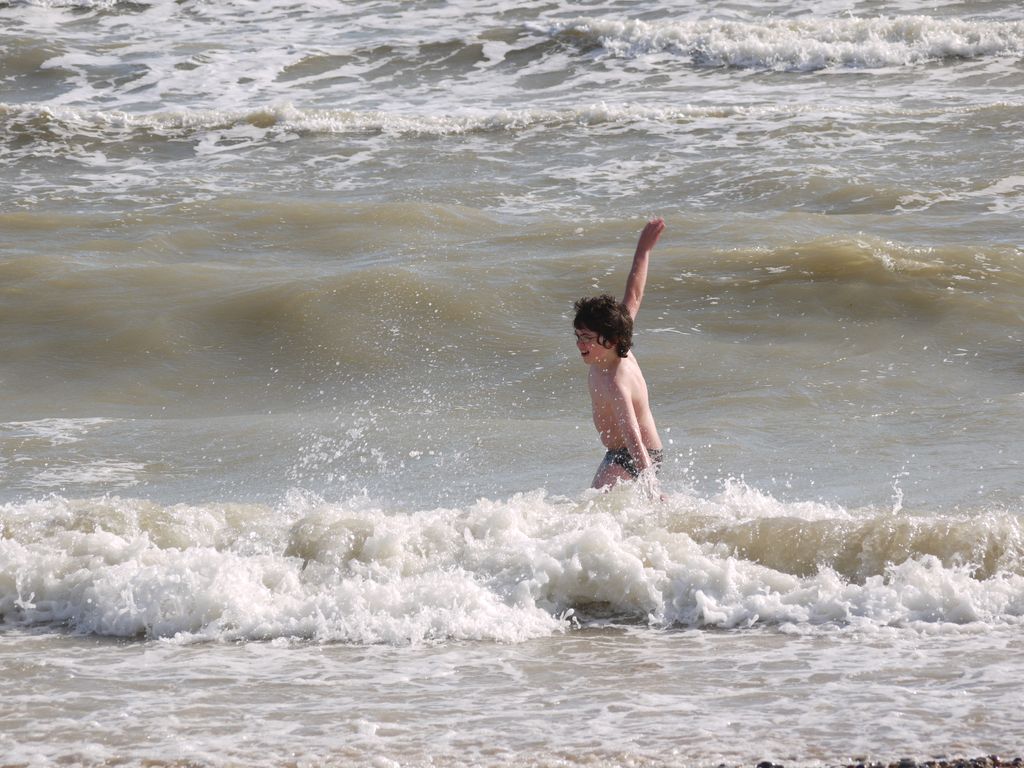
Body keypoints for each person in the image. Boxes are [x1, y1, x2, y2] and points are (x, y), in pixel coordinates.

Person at [573, 217, 666, 489]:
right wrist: (643, 250)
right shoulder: (616, 342)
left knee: (593, 507)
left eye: (588, 338)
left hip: (636, 455)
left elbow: (633, 437)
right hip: (622, 453)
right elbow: (634, 294)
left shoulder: (616, 382)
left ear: (611, 339)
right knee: (600, 510)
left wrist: (652, 488)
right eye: (578, 336)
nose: (580, 344)